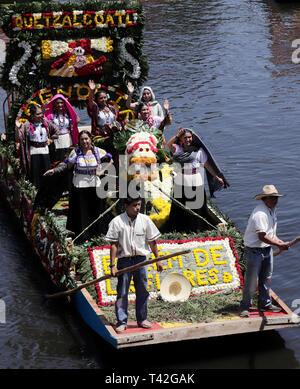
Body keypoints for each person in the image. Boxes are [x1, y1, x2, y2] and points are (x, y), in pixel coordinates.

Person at [106, 196, 163, 334]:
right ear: (126, 206)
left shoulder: (145, 220)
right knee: (122, 292)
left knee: (142, 290)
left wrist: (157, 260)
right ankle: (122, 321)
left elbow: (152, 242)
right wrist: (112, 265)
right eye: (134, 205)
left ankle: (142, 319)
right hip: (124, 261)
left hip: (141, 260)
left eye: (139, 205)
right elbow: (113, 245)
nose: (137, 208)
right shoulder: (117, 222)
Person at [44, 130, 113, 241]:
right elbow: (67, 166)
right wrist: (54, 170)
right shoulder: (75, 153)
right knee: (82, 212)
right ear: (79, 141)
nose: (84, 141)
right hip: (80, 185)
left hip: (95, 185)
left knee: (95, 210)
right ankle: (83, 235)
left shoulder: (98, 151)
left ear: (91, 139)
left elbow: (111, 160)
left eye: (86, 139)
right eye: (82, 139)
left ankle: (96, 234)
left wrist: (101, 171)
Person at [240, 185, 290, 317]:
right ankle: (245, 306)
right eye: (272, 198)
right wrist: (278, 245)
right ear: (265, 199)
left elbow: (271, 233)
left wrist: (280, 242)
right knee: (251, 281)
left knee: (267, 278)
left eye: (276, 198)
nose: (275, 201)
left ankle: (265, 304)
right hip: (254, 251)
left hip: (266, 249)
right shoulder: (260, 214)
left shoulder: (272, 210)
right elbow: (262, 236)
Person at [167, 127, 228, 232]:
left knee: (198, 205)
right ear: (181, 139)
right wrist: (177, 135)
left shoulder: (198, 151)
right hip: (182, 180)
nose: (188, 140)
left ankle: (198, 228)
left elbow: (207, 165)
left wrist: (217, 177)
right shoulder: (178, 150)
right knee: (181, 206)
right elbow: (169, 145)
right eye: (185, 138)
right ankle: (180, 228)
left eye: (189, 137)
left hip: (195, 179)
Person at [15, 105, 59, 189]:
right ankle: (35, 194)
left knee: (47, 174)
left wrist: (50, 140)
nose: (41, 115)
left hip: (45, 151)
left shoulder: (45, 122)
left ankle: (47, 193)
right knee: (36, 175)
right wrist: (17, 128)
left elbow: (56, 130)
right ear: (32, 115)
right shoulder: (27, 124)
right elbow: (18, 137)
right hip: (33, 152)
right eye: (38, 114)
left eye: (41, 113)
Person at [87, 79, 120, 167]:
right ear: (97, 100)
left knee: (116, 158)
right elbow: (90, 102)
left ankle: (117, 177)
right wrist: (92, 91)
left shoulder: (112, 108)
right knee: (104, 158)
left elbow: (116, 121)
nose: (103, 99)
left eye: (105, 97)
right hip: (101, 137)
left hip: (113, 137)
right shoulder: (96, 109)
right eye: (101, 98)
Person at [44, 94, 80, 163]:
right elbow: (45, 123)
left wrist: (76, 121)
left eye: (61, 103)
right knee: (58, 160)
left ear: (64, 103)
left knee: (69, 158)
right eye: (58, 103)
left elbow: (75, 121)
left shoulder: (68, 114)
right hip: (56, 140)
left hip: (68, 139)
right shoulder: (51, 116)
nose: (60, 105)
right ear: (54, 104)